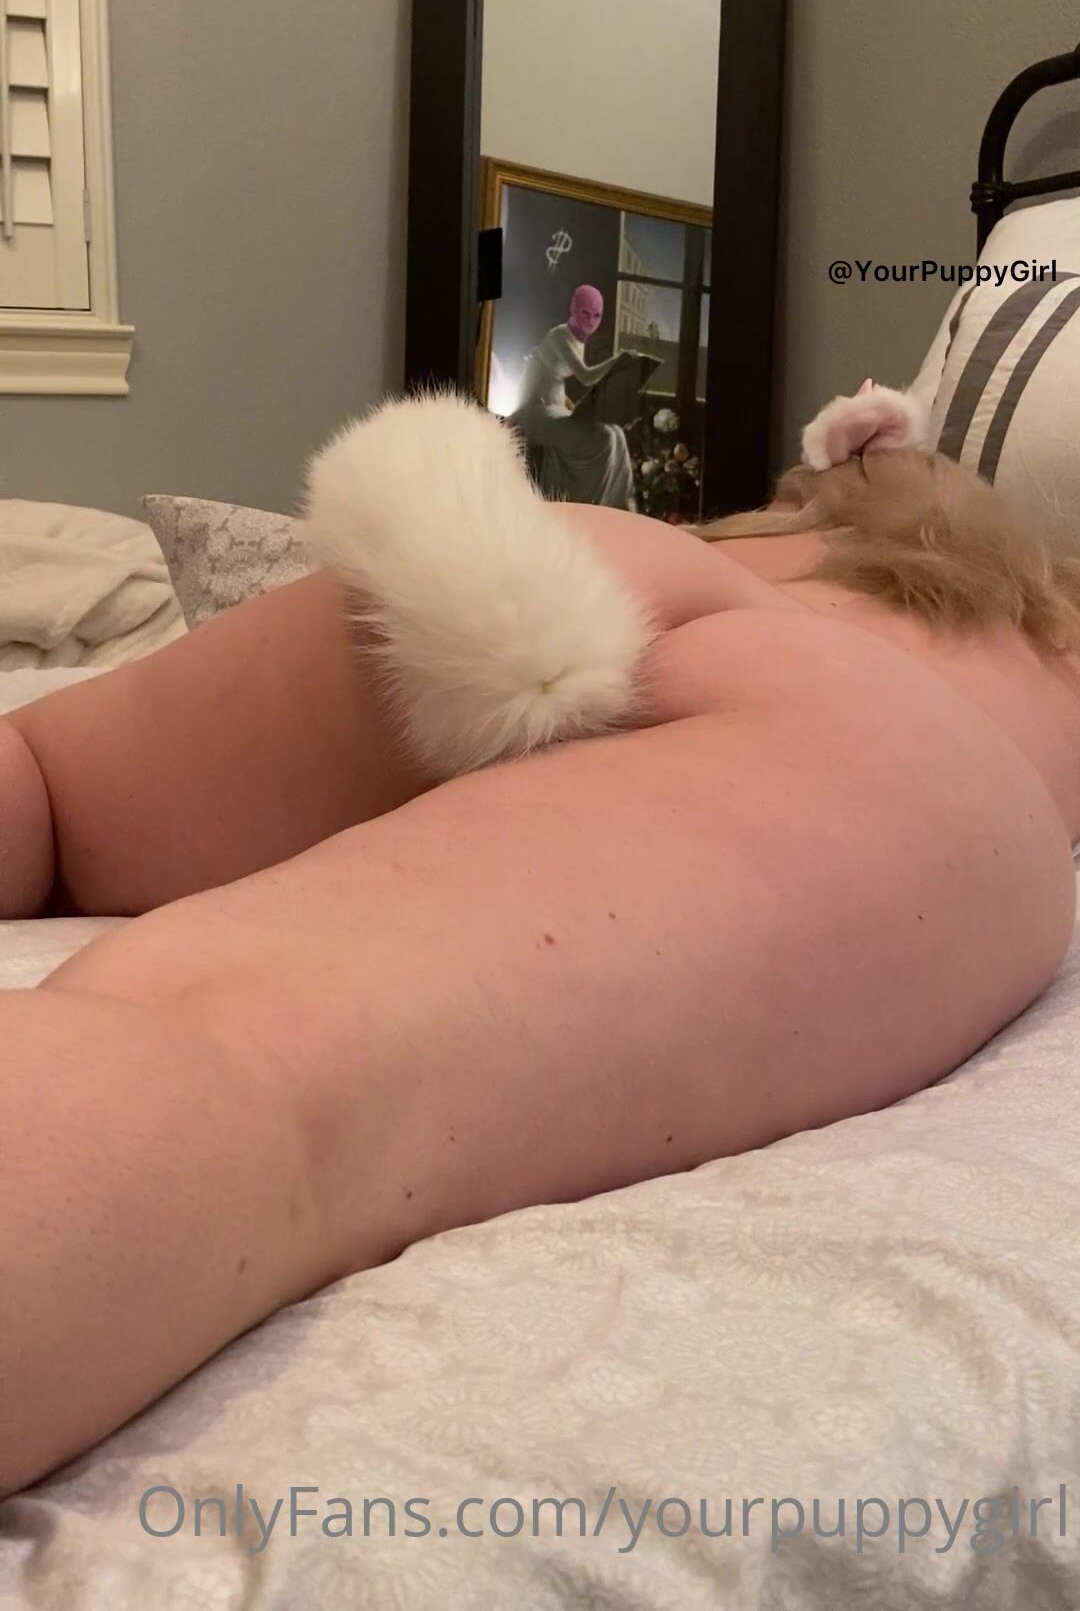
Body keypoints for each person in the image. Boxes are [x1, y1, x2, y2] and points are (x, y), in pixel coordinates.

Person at [2, 381, 1080, 1498]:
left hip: (567, 566)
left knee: (42, 786)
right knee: (237, 1056)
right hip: (868, 724)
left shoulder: (750, 550)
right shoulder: (1042, 626)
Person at [511, 282, 636, 506]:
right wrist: (617, 361)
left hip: (555, 408)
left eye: (596, 316)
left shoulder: (578, 339)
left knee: (617, 433)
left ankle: (618, 504)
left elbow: (556, 380)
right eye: (585, 313)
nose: (590, 322)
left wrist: (576, 407)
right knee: (605, 437)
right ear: (573, 308)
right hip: (534, 414)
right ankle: (591, 505)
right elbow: (586, 376)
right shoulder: (560, 336)